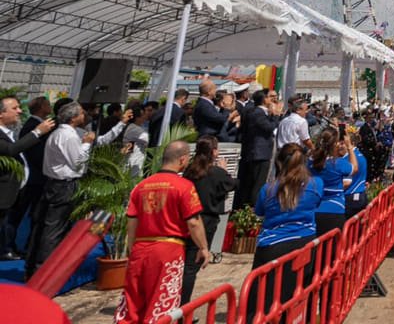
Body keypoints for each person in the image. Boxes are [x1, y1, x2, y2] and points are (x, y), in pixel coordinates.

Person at [114, 141, 210, 324]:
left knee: (132, 303)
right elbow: (193, 222)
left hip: (141, 248)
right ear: (182, 160)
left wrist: (132, 250)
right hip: (169, 249)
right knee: (162, 303)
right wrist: (203, 247)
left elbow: (132, 223)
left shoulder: (141, 186)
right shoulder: (184, 186)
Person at [249, 143, 323, 321]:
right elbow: (316, 203)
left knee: (260, 302)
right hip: (304, 243)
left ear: (279, 163)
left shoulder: (268, 189)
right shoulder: (315, 184)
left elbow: (259, 211)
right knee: (293, 298)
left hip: (272, 246)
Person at [25, 102, 96, 280]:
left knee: (45, 226)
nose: (83, 116)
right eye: (81, 113)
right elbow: (78, 165)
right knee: (54, 229)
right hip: (63, 185)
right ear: (73, 118)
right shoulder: (68, 136)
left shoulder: (58, 133)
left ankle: (34, 268)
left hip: (55, 183)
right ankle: (43, 272)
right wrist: (86, 145)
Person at [180, 136, 237, 304]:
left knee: (186, 265)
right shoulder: (217, 173)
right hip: (207, 222)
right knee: (191, 266)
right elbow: (232, 183)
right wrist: (225, 170)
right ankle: (182, 308)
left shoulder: (190, 171)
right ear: (213, 152)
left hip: (188, 218)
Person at [0, 98, 55, 260]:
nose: (20, 111)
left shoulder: (9, 131)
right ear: (1, 114)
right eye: (14, 108)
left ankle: (7, 247)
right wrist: (37, 132)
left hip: (15, 189)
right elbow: (10, 150)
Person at [238, 89, 283, 208]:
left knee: (254, 182)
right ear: (264, 99)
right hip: (258, 153)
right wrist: (276, 116)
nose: (272, 100)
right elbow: (269, 127)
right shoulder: (257, 112)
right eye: (270, 97)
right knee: (257, 183)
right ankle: (253, 209)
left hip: (259, 152)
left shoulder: (258, 112)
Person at [309, 129, 357, 236]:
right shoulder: (338, 163)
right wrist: (349, 147)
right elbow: (354, 168)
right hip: (334, 210)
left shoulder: (311, 162)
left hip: (313, 208)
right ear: (334, 144)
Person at [343, 128, 369, 219]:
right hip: (359, 195)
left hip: (351, 196)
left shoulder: (351, 158)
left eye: (343, 143)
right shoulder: (359, 154)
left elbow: (346, 182)